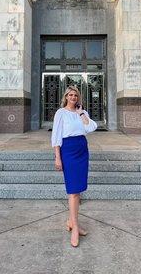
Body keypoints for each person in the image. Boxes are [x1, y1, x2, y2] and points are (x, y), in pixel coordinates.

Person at [51, 85, 97, 247]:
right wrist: (58, 157)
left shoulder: (81, 113)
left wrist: (82, 113)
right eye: (70, 95)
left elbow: (91, 127)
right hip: (68, 150)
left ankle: (71, 221)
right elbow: (56, 137)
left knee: (78, 190)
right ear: (66, 97)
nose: (73, 98)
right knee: (73, 191)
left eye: (75, 95)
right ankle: (75, 227)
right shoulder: (60, 113)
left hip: (82, 148)